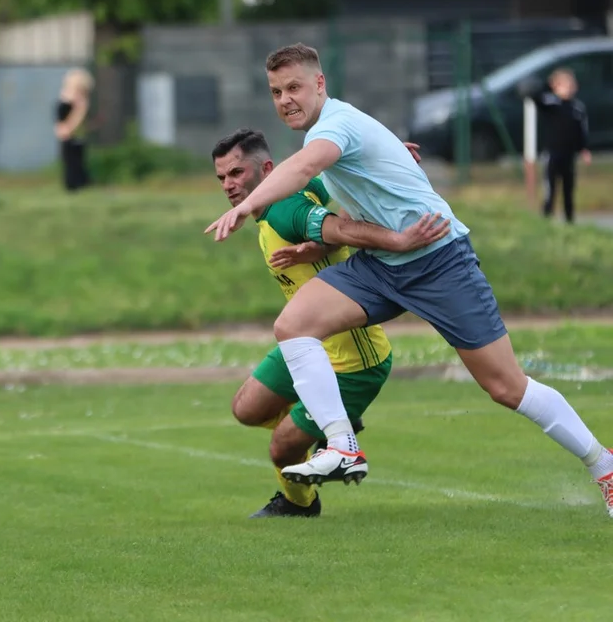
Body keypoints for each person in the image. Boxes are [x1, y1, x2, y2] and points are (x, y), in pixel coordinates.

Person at [205, 43, 613, 516]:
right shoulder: (332, 129)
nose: (285, 100)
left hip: (438, 258)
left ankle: (604, 466)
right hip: (381, 264)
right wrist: (386, 162)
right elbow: (349, 181)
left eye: (294, 87)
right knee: (293, 325)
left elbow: (304, 168)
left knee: (506, 387)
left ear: (320, 84)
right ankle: (342, 444)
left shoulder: (332, 127)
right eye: (276, 91)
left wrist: (247, 205)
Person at [214, 129, 450, 518]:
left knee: (281, 447)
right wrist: (384, 155)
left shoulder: (285, 210)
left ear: (267, 169)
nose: (229, 185)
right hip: (306, 342)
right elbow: (328, 179)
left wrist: (397, 240)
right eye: (222, 177)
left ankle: (299, 504)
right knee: (245, 409)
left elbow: (339, 229)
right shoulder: (277, 204)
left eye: (237, 173)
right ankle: (333, 423)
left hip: (355, 362)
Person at [532, 68, 593, 223]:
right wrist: (548, 84)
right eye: (563, 85)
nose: (568, 88)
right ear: (556, 86)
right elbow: (536, 98)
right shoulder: (551, 104)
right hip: (552, 153)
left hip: (569, 155)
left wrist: (584, 149)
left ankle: (569, 219)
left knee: (568, 188)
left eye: (570, 85)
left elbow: (582, 130)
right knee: (550, 188)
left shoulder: (577, 108)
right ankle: (546, 218)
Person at [55, 68, 94, 192]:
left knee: (75, 162)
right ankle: (74, 186)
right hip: (64, 132)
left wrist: (69, 128)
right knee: (68, 161)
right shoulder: (66, 95)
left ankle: (78, 186)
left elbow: (78, 116)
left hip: (73, 133)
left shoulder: (80, 100)